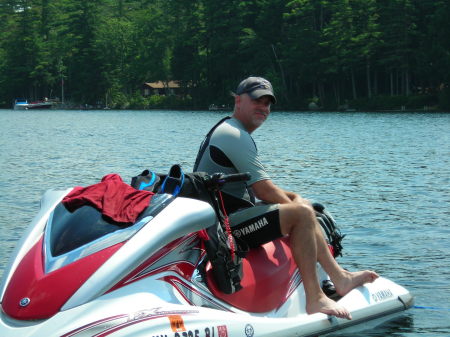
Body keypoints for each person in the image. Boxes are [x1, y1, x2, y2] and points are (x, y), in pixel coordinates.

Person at [194, 76, 378, 320]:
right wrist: (297, 207)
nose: (264, 108)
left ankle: (339, 277)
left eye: (268, 103)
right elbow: (265, 191)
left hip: (229, 216)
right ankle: (315, 298)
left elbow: (254, 189)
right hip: (224, 227)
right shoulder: (233, 135)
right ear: (238, 100)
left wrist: (294, 198)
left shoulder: (232, 130)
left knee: (301, 206)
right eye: (257, 100)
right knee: (301, 213)